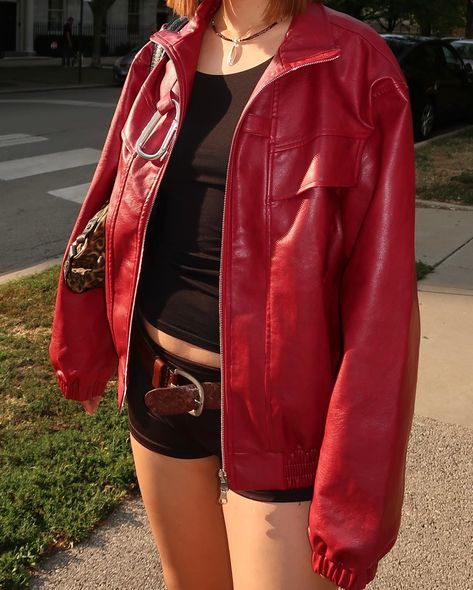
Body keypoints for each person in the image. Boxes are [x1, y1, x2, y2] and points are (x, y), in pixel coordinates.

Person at [49, 1, 421, 589]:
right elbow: (112, 209)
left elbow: (384, 300)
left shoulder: (355, 65)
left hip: (285, 419)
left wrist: (359, 474)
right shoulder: (165, 58)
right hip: (159, 388)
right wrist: (85, 343)